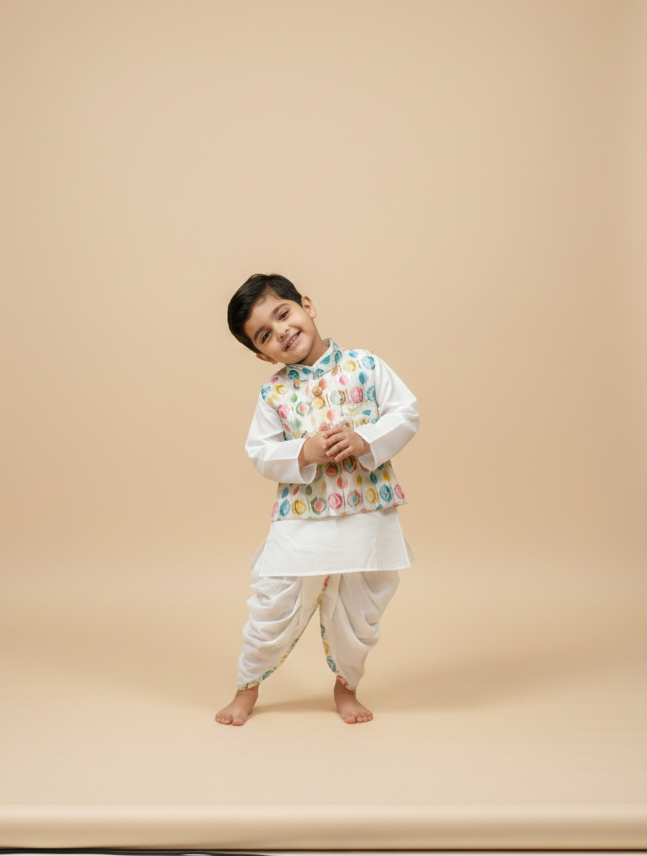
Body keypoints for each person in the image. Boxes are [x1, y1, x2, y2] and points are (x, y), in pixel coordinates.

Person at [216, 273, 419, 725]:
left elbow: (406, 411)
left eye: (283, 313)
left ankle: (346, 686)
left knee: (362, 604)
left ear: (306, 304)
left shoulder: (366, 365)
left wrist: (365, 439)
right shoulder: (274, 393)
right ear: (260, 353)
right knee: (275, 600)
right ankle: (247, 685)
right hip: (303, 514)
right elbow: (261, 451)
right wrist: (302, 452)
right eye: (265, 334)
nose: (282, 331)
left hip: (367, 506)